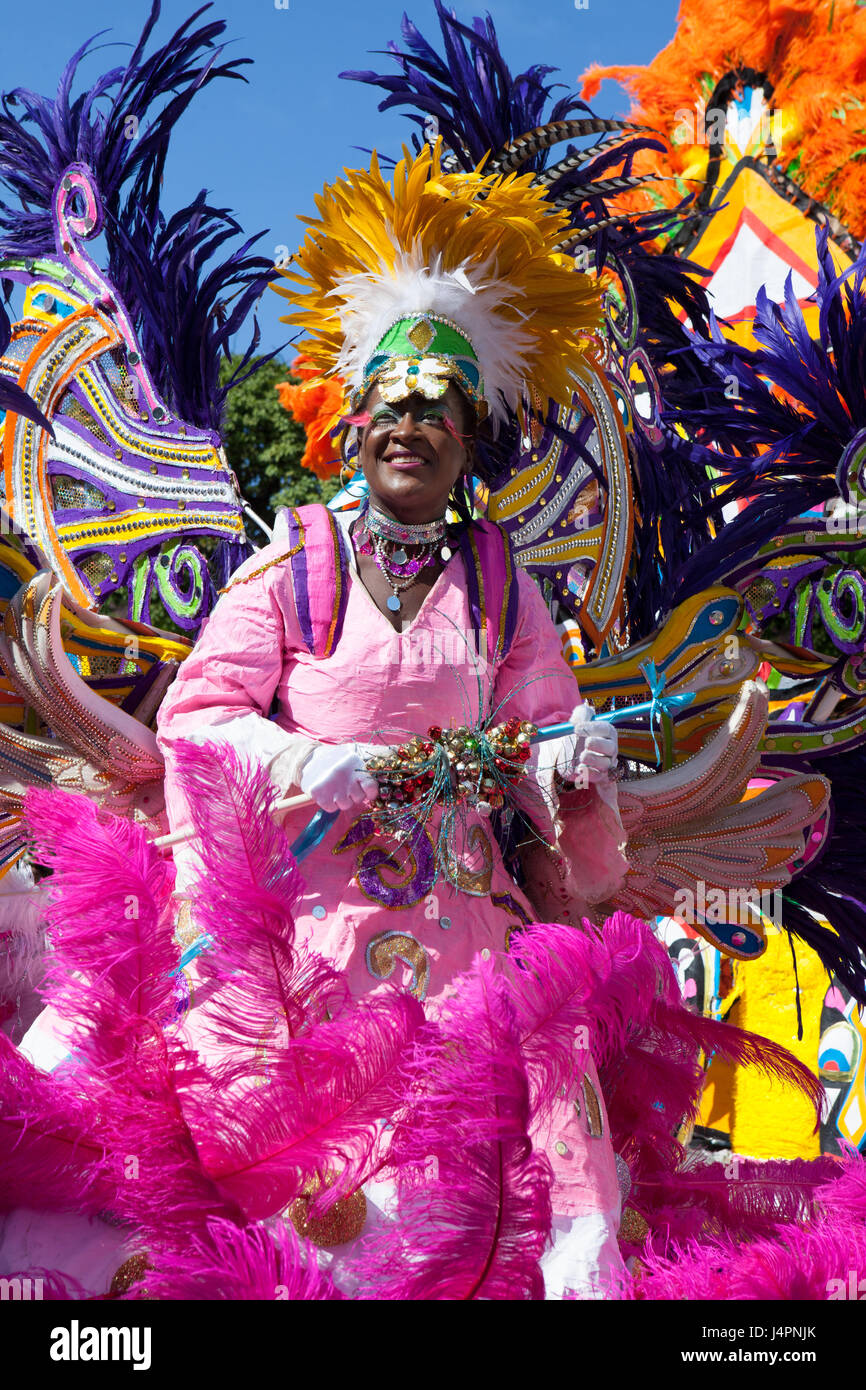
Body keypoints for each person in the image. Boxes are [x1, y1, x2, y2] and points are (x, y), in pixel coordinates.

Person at [153, 142, 632, 1295]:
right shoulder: (295, 564)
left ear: (468, 440)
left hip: (468, 934)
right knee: (324, 1221)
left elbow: (541, 725)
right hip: (313, 937)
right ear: (353, 424)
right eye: (390, 405)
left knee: (484, 1205)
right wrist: (312, 762)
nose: (409, 426)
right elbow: (198, 712)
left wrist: (572, 760)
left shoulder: (501, 581)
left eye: (436, 411)